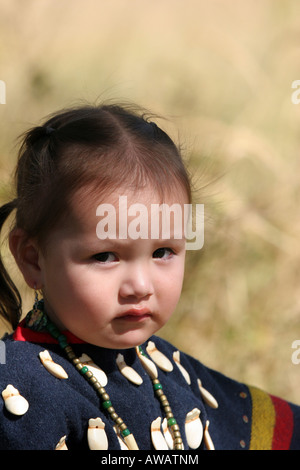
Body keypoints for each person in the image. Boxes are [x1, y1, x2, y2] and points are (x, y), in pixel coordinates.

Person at [0, 103, 299, 451]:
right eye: (105, 256)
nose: (140, 287)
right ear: (32, 259)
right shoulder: (19, 389)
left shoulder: (162, 365)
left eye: (162, 253)